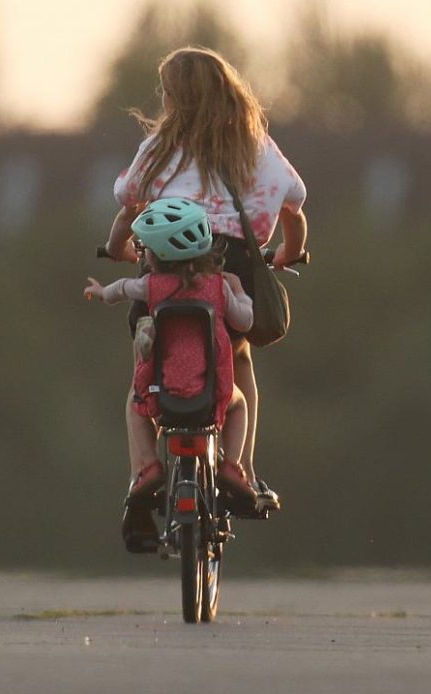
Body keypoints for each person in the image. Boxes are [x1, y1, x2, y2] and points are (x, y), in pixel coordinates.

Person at [101, 46, 308, 511]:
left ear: (174, 98)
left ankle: (144, 469)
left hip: (161, 270)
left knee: (145, 370)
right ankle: (242, 470)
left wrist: (120, 249)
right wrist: (287, 255)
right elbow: (295, 209)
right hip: (231, 266)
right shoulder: (256, 146)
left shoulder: (158, 149)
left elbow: (127, 203)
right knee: (240, 362)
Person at [85, 197, 257, 551]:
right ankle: (234, 465)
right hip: (213, 393)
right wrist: (240, 291)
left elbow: (121, 289)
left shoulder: (151, 287)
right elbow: (246, 321)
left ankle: (148, 466)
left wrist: (101, 293)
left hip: (161, 394)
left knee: (135, 409)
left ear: (154, 256)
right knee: (240, 404)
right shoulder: (219, 287)